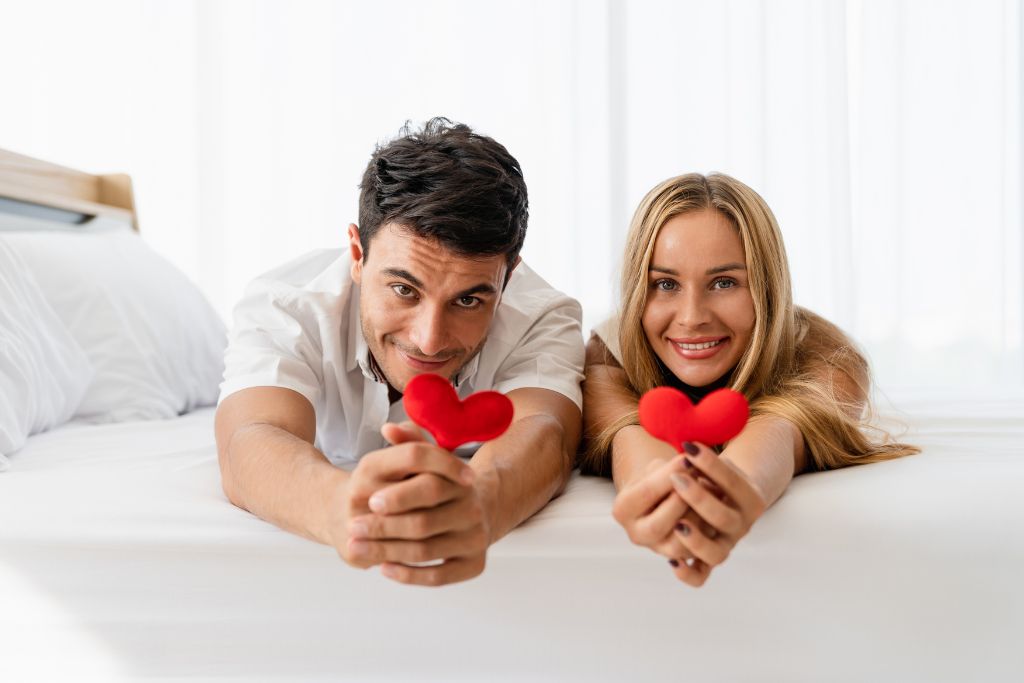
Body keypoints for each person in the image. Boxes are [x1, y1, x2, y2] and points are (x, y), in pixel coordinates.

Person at [216, 118, 584, 587]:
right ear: (357, 255)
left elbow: (546, 431)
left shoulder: (543, 314)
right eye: (403, 289)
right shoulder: (286, 304)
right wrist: (342, 507)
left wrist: (483, 503)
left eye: (468, 300)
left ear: (508, 278)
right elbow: (250, 436)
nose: (429, 340)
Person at [581, 172, 918, 587]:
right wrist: (661, 493)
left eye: (725, 283)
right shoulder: (607, 350)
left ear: (767, 288)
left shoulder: (827, 356)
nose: (692, 316)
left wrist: (738, 486)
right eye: (665, 284)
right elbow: (627, 431)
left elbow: (781, 425)